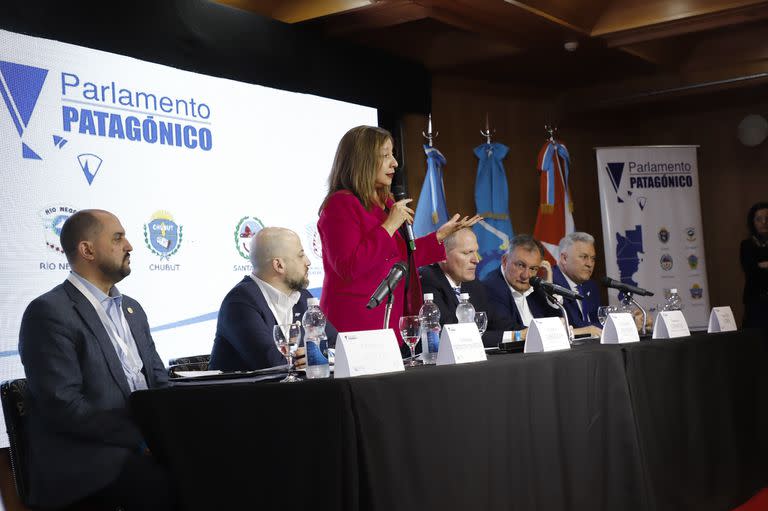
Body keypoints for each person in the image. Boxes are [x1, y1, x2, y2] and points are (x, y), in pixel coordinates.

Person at [18, 209, 175, 511]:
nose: (129, 246)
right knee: (169, 481)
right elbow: (63, 405)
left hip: (141, 446)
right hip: (85, 461)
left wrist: (178, 428)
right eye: (118, 238)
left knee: (215, 462)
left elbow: (159, 381)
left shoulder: (133, 309)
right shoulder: (49, 312)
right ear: (87, 250)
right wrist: (144, 438)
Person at [317, 125, 480, 347]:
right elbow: (348, 267)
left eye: (392, 154)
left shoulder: (385, 204)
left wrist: (440, 236)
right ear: (362, 161)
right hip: (356, 325)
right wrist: (390, 225)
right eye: (385, 155)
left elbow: (401, 259)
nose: (394, 162)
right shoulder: (340, 204)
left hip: (391, 322)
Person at [209, 227, 337, 371]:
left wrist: (321, 356)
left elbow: (338, 347)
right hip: (241, 393)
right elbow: (271, 363)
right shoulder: (239, 302)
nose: (308, 262)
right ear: (279, 265)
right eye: (301, 255)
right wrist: (314, 357)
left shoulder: (303, 297)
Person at [419, 228, 519, 347]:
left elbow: (499, 322)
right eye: (467, 253)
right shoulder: (428, 279)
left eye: (476, 252)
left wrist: (527, 332)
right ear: (443, 255)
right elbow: (456, 335)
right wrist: (515, 336)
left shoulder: (472, 283)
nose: (476, 260)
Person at [482, 234, 559, 337]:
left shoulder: (536, 287)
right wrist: (551, 331)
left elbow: (558, 320)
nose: (525, 275)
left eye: (533, 269)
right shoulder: (491, 288)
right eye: (520, 265)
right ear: (505, 261)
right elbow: (509, 329)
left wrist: (548, 285)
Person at [553, 232, 603, 336]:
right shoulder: (552, 284)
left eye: (593, 259)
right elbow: (575, 326)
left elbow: (597, 321)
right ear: (564, 258)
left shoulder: (590, 286)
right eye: (584, 257)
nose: (589, 264)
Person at [740, 201, 768, 329]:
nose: (764, 222)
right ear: (753, 222)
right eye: (759, 219)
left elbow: (757, 268)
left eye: (767, 219)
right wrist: (759, 267)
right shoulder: (746, 245)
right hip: (755, 301)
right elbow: (750, 270)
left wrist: (761, 265)